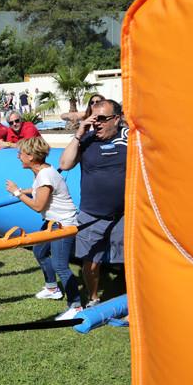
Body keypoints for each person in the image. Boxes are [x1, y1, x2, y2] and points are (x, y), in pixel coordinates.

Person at [59, 99, 127, 307]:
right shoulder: (87, 140)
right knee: (90, 260)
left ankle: (131, 298)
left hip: (124, 214)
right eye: (94, 119)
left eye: (103, 119)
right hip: (92, 215)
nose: (97, 123)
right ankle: (93, 298)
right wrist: (80, 132)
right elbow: (65, 164)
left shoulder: (128, 139)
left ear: (116, 119)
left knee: (130, 259)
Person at [5, 137, 82, 320]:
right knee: (39, 251)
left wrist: (17, 193)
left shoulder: (45, 174)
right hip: (51, 221)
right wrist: (24, 191)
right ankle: (52, 288)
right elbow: (39, 189)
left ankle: (76, 306)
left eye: (20, 153)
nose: (18, 157)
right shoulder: (41, 171)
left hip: (63, 224)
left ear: (31, 157)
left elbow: (39, 206)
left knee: (60, 265)